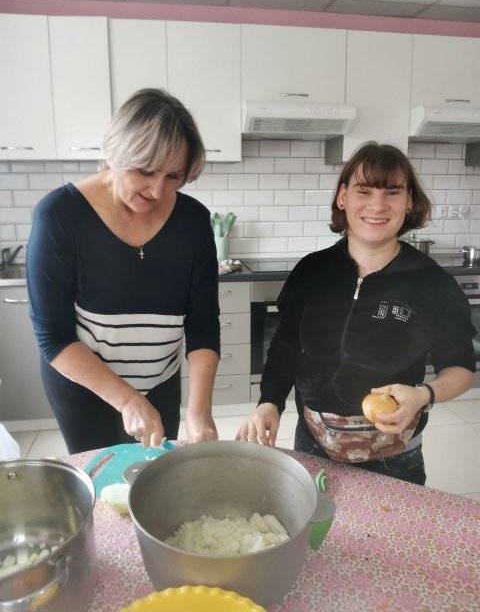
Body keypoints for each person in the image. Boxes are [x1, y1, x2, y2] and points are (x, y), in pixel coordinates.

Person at [236, 142, 475, 485]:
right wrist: (269, 402)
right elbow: (286, 344)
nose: (377, 205)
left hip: (395, 454)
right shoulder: (312, 271)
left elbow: (461, 368)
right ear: (342, 197)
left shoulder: (432, 282)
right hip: (313, 441)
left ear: (409, 201)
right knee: (319, 529)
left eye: (392, 192)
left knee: (391, 534)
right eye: (364, 190)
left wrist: (424, 394)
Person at [27, 88, 220, 453]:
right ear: (114, 155)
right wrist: (129, 401)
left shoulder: (193, 221)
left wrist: (199, 411)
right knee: (101, 485)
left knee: (157, 480)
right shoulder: (60, 215)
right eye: (145, 171)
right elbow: (53, 335)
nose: (158, 190)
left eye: (174, 176)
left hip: (161, 382)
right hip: (86, 390)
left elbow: (203, 324)